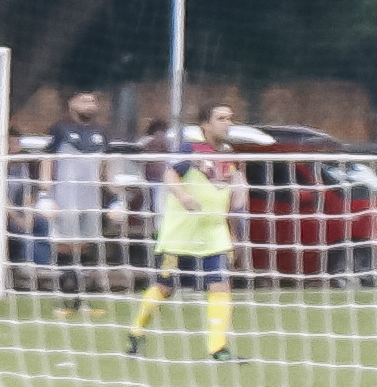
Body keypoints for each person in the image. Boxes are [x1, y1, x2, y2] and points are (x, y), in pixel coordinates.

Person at [122, 121, 239, 361]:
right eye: (222, 118)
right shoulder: (190, 150)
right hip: (181, 234)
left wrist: (233, 229)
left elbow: (228, 195)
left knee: (220, 286)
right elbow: (169, 173)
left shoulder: (229, 155)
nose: (228, 123)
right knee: (165, 287)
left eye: (230, 117)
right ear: (206, 124)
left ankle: (218, 348)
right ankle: (136, 332)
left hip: (213, 234)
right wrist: (184, 195)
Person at [33, 91, 117, 310]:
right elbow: (47, 160)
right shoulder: (60, 129)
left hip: (91, 199)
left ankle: (81, 301)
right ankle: (65, 300)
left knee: (86, 245)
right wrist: (45, 193)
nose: (89, 104)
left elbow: (106, 166)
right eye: (84, 100)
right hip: (65, 197)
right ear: (71, 103)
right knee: (65, 246)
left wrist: (115, 197)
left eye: (93, 100)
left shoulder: (102, 133)